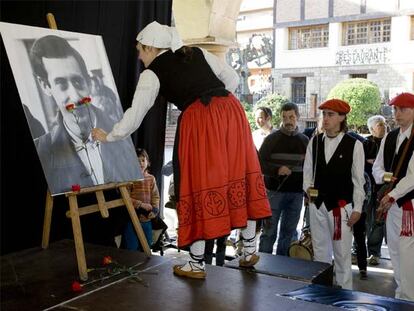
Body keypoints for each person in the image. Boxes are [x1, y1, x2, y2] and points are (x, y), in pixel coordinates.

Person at [91, 21, 271, 279]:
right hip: (232, 111)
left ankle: (196, 264)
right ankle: (249, 249)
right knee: (240, 174)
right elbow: (230, 78)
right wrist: (219, 109)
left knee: (196, 185)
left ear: (151, 47)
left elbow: (135, 115)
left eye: (141, 50)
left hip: (200, 121)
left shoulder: (152, 74)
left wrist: (108, 135)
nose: (140, 56)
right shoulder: (196, 52)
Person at [30, 35, 139, 194]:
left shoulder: (121, 132)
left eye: (77, 81)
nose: (75, 96)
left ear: (88, 81)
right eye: (61, 84)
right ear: (45, 86)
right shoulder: (42, 150)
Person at [303, 99, 365, 290]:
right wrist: (309, 194)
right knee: (320, 253)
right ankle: (321, 293)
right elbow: (307, 171)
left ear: (342, 117)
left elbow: (358, 180)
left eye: (330, 114)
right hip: (317, 205)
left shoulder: (354, 145)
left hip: (340, 208)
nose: (325, 118)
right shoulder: (314, 141)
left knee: (342, 254)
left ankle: (345, 295)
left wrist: (358, 208)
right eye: (324, 114)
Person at [373, 92, 414, 301]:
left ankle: (409, 296)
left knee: (408, 253)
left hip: (410, 203)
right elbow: (378, 167)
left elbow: (413, 176)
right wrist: (384, 178)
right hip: (392, 202)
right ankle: (401, 294)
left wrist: (393, 194)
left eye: (403, 109)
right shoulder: (389, 136)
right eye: (395, 109)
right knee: (395, 250)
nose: (397, 113)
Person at [258, 103, 309, 255]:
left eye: (291, 117)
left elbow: (310, 169)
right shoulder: (271, 139)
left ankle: (281, 269)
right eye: (284, 117)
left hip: (297, 195)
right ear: (280, 118)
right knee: (269, 232)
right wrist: (277, 170)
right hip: (274, 193)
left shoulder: (305, 141)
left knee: (288, 233)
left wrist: (307, 193)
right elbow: (259, 163)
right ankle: (264, 267)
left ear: (298, 117)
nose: (288, 121)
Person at [122, 148, 160, 251]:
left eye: (143, 160)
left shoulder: (151, 178)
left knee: (146, 247)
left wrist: (155, 209)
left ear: (147, 162)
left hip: (146, 220)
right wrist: (141, 204)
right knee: (131, 248)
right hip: (132, 219)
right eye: (137, 161)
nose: (141, 163)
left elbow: (155, 196)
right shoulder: (129, 179)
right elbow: (125, 198)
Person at [364, 115, 387, 266]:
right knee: (364, 220)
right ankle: (357, 250)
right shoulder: (365, 144)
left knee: (379, 221)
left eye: (384, 124)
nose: (384, 126)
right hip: (367, 188)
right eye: (380, 125)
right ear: (372, 129)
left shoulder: (390, 142)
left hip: (382, 190)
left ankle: (374, 253)